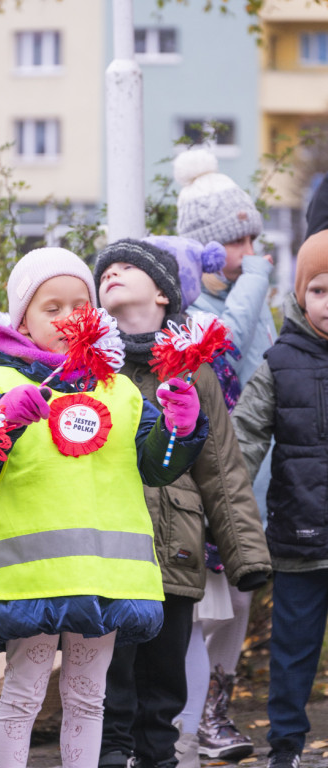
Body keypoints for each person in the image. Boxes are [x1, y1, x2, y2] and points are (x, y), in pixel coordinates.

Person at [0, 246, 209, 768]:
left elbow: (156, 467)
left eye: (80, 304)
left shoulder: (119, 390)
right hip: (33, 577)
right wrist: (3, 418)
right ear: (22, 320)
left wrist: (179, 428)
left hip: (106, 575)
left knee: (87, 699)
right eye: (51, 307)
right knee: (25, 694)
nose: (68, 317)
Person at [93, 237, 271, 768]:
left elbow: (222, 467)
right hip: (109, 552)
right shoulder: (90, 365)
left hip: (175, 551)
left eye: (127, 266)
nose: (112, 273)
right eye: (104, 270)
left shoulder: (194, 371)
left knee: (164, 688)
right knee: (109, 684)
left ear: (165, 294)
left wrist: (246, 556)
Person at [172, 147, 276, 759]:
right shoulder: (196, 307)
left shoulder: (251, 297)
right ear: (209, 249)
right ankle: (191, 722)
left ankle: (216, 712)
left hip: (254, 485)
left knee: (239, 599)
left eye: (254, 238)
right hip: (210, 484)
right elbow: (228, 344)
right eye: (239, 241)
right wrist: (257, 279)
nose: (251, 253)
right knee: (202, 605)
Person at [231, 230, 328, 768]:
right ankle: (286, 747)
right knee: (292, 652)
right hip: (298, 537)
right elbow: (244, 439)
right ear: (298, 295)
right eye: (318, 290)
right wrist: (229, 516)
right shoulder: (280, 361)